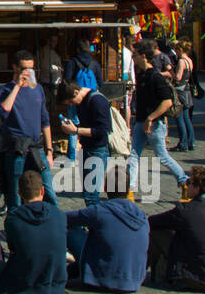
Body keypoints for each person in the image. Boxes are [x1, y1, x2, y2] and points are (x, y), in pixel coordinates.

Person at [147, 166, 205, 291]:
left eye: (189, 183)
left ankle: (147, 273)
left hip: (199, 278)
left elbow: (152, 222)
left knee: (157, 231)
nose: (186, 186)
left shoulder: (186, 210)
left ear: (197, 188)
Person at [65, 168, 149, 293]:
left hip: (102, 279)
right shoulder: (141, 216)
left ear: (105, 188)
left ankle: (55, 270)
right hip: (134, 280)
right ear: (128, 190)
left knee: (71, 227)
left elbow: (63, 218)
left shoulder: (100, 211)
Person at [126, 40, 188, 201]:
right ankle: (129, 190)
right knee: (133, 154)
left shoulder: (155, 77)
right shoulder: (142, 75)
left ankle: (184, 181)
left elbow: (167, 102)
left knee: (162, 156)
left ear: (143, 56)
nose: (133, 58)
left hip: (154, 124)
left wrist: (151, 118)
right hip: (141, 121)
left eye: (135, 55)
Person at [0, 55, 55, 212]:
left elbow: (45, 121)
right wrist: (17, 86)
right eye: (24, 68)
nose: (28, 72)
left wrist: (49, 151)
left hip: (36, 148)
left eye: (30, 68)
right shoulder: (5, 89)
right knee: (14, 194)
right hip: (16, 149)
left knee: (48, 190)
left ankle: (53, 223)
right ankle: (16, 229)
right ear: (15, 68)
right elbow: (3, 111)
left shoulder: (38, 90)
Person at [0, 170, 67, 294]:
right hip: (55, 283)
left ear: (19, 193)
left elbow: (13, 249)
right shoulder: (59, 214)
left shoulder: (13, 219)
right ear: (43, 191)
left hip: (22, 283)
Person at [57, 78, 111, 205]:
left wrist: (76, 130)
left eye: (71, 101)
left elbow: (102, 130)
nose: (71, 105)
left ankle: (96, 223)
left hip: (98, 150)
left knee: (91, 194)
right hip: (86, 148)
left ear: (76, 92)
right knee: (88, 193)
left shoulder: (97, 100)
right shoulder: (81, 102)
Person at [62, 40, 102, 162]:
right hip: (90, 99)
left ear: (77, 50)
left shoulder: (72, 63)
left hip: (74, 98)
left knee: (73, 126)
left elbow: (67, 81)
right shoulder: (94, 64)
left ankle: (72, 157)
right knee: (88, 126)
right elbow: (100, 82)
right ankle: (87, 152)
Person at [170, 41, 197, 152]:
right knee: (187, 118)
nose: (175, 52)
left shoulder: (181, 61)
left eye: (176, 50)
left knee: (179, 118)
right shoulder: (189, 61)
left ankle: (183, 143)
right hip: (187, 90)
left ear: (180, 50)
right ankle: (191, 142)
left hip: (180, 91)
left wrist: (171, 72)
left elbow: (178, 77)